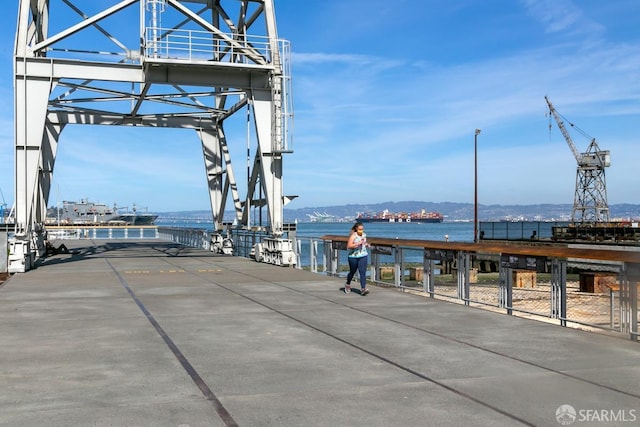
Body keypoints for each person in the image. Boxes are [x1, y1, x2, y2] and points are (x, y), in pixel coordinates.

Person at [345, 222, 369, 295]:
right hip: (353, 256)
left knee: (362, 272)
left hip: (363, 255)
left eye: (362, 229)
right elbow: (348, 246)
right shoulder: (353, 236)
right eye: (359, 229)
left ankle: (363, 288)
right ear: (356, 229)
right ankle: (347, 284)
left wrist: (366, 244)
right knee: (352, 271)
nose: (361, 231)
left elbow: (364, 242)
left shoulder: (364, 235)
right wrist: (357, 244)